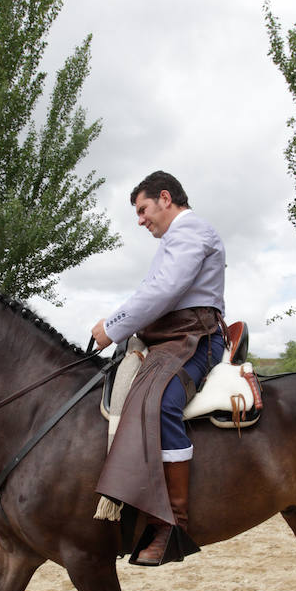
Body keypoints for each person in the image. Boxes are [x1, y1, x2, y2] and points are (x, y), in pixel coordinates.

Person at [91, 170, 226, 566]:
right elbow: (153, 293)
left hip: (193, 338)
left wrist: (112, 327)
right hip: (167, 336)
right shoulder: (173, 240)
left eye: (143, 209)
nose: (140, 219)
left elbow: (164, 291)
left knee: (164, 402)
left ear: (165, 198)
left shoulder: (191, 231)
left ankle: (173, 522)